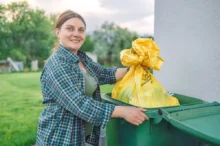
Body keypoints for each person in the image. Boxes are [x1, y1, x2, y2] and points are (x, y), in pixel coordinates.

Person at [36, 10, 149, 146]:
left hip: (82, 136)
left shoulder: (82, 59)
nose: (76, 34)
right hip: (59, 138)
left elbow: (105, 74)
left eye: (81, 30)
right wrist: (123, 111)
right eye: (70, 29)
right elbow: (79, 104)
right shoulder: (56, 64)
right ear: (58, 32)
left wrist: (134, 69)